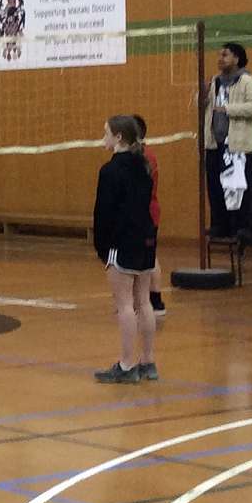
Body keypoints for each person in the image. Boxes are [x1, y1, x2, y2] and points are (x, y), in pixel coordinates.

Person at [93, 115, 158, 383]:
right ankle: (148, 362)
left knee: (125, 305)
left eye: (106, 133)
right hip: (146, 239)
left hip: (122, 242)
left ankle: (127, 365)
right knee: (144, 302)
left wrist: (102, 247)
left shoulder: (110, 171)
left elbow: (103, 214)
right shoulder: (144, 166)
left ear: (119, 137)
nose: (103, 138)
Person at [202, 41, 252, 237]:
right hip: (215, 144)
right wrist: (203, 94)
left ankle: (241, 227)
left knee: (237, 188)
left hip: (236, 145)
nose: (220, 59)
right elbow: (203, 107)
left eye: (225, 55)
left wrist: (228, 109)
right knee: (215, 187)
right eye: (219, 55)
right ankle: (220, 225)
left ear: (237, 59)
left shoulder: (248, 82)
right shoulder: (215, 82)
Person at [133, 113, 165, 316]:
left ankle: (155, 302)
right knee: (146, 257)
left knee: (149, 259)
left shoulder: (144, 157)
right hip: (143, 214)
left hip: (146, 214)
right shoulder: (139, 155)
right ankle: (145, 301)